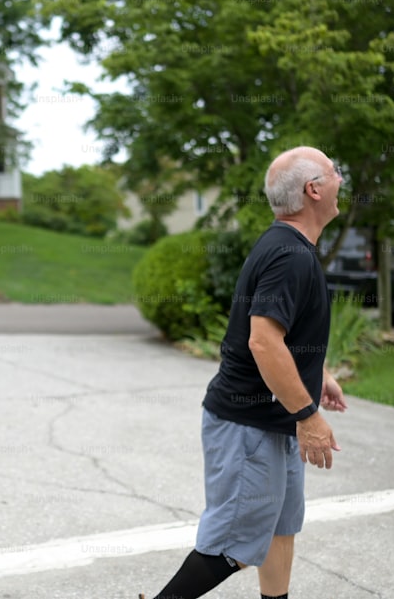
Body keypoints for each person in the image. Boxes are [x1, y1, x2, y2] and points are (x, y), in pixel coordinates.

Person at [144, 146, 349, 599]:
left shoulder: (286, 245)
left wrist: (319, 374)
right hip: (249, 426)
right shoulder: (290, 256)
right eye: (335, 173)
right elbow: (262, 341)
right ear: (313, 190)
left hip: (272, 425)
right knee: (231, 547)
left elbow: (284, 335)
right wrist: (308, 415)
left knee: (280, 528)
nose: (341, 180)